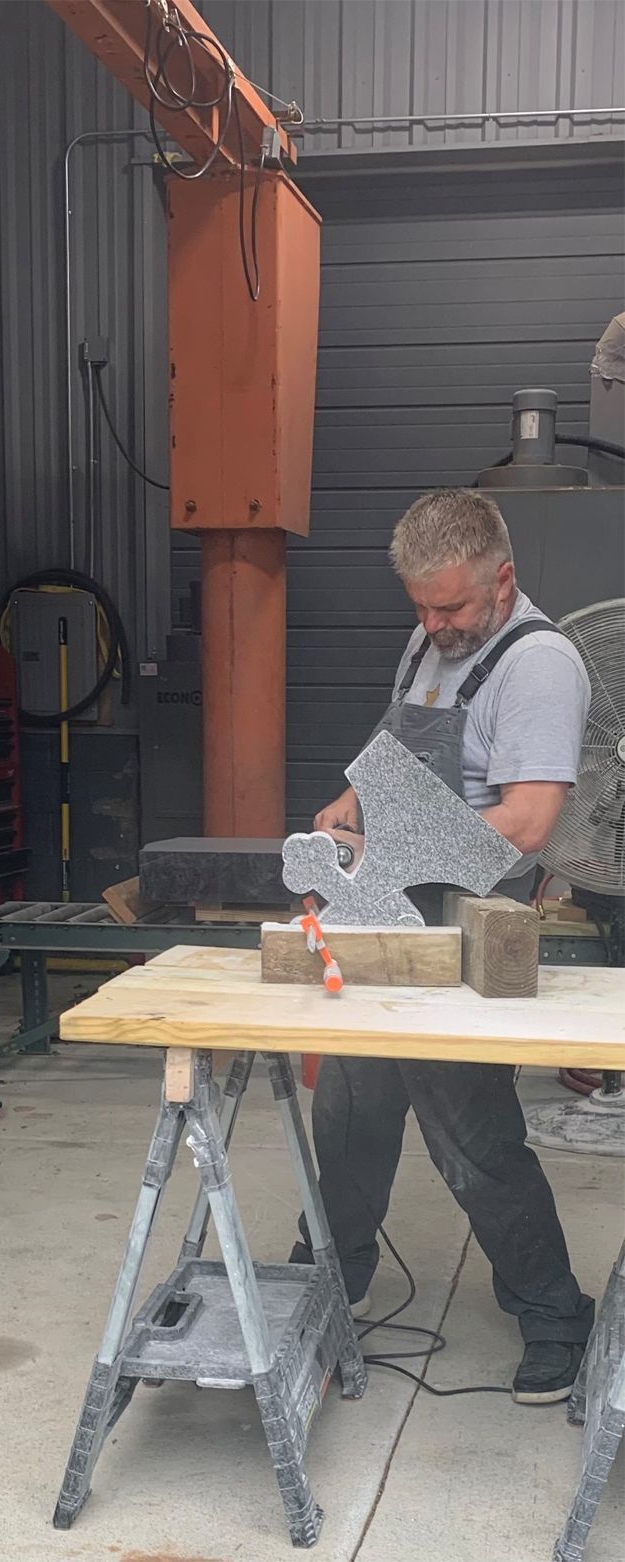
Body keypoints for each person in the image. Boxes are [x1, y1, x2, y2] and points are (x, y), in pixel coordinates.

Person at [291, 487, 595, 1405]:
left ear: (503, 581)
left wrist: (392, 849)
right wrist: (351, 803)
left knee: (471, 1136)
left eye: (452, 606)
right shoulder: (432, 639)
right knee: (347, 1114)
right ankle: (327, 1289)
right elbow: (396, 748)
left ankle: (553, 1316)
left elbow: (531, 820)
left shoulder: (539, 666)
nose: (434, 623)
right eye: (421, 606)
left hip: (467, 922)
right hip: (387, 912)